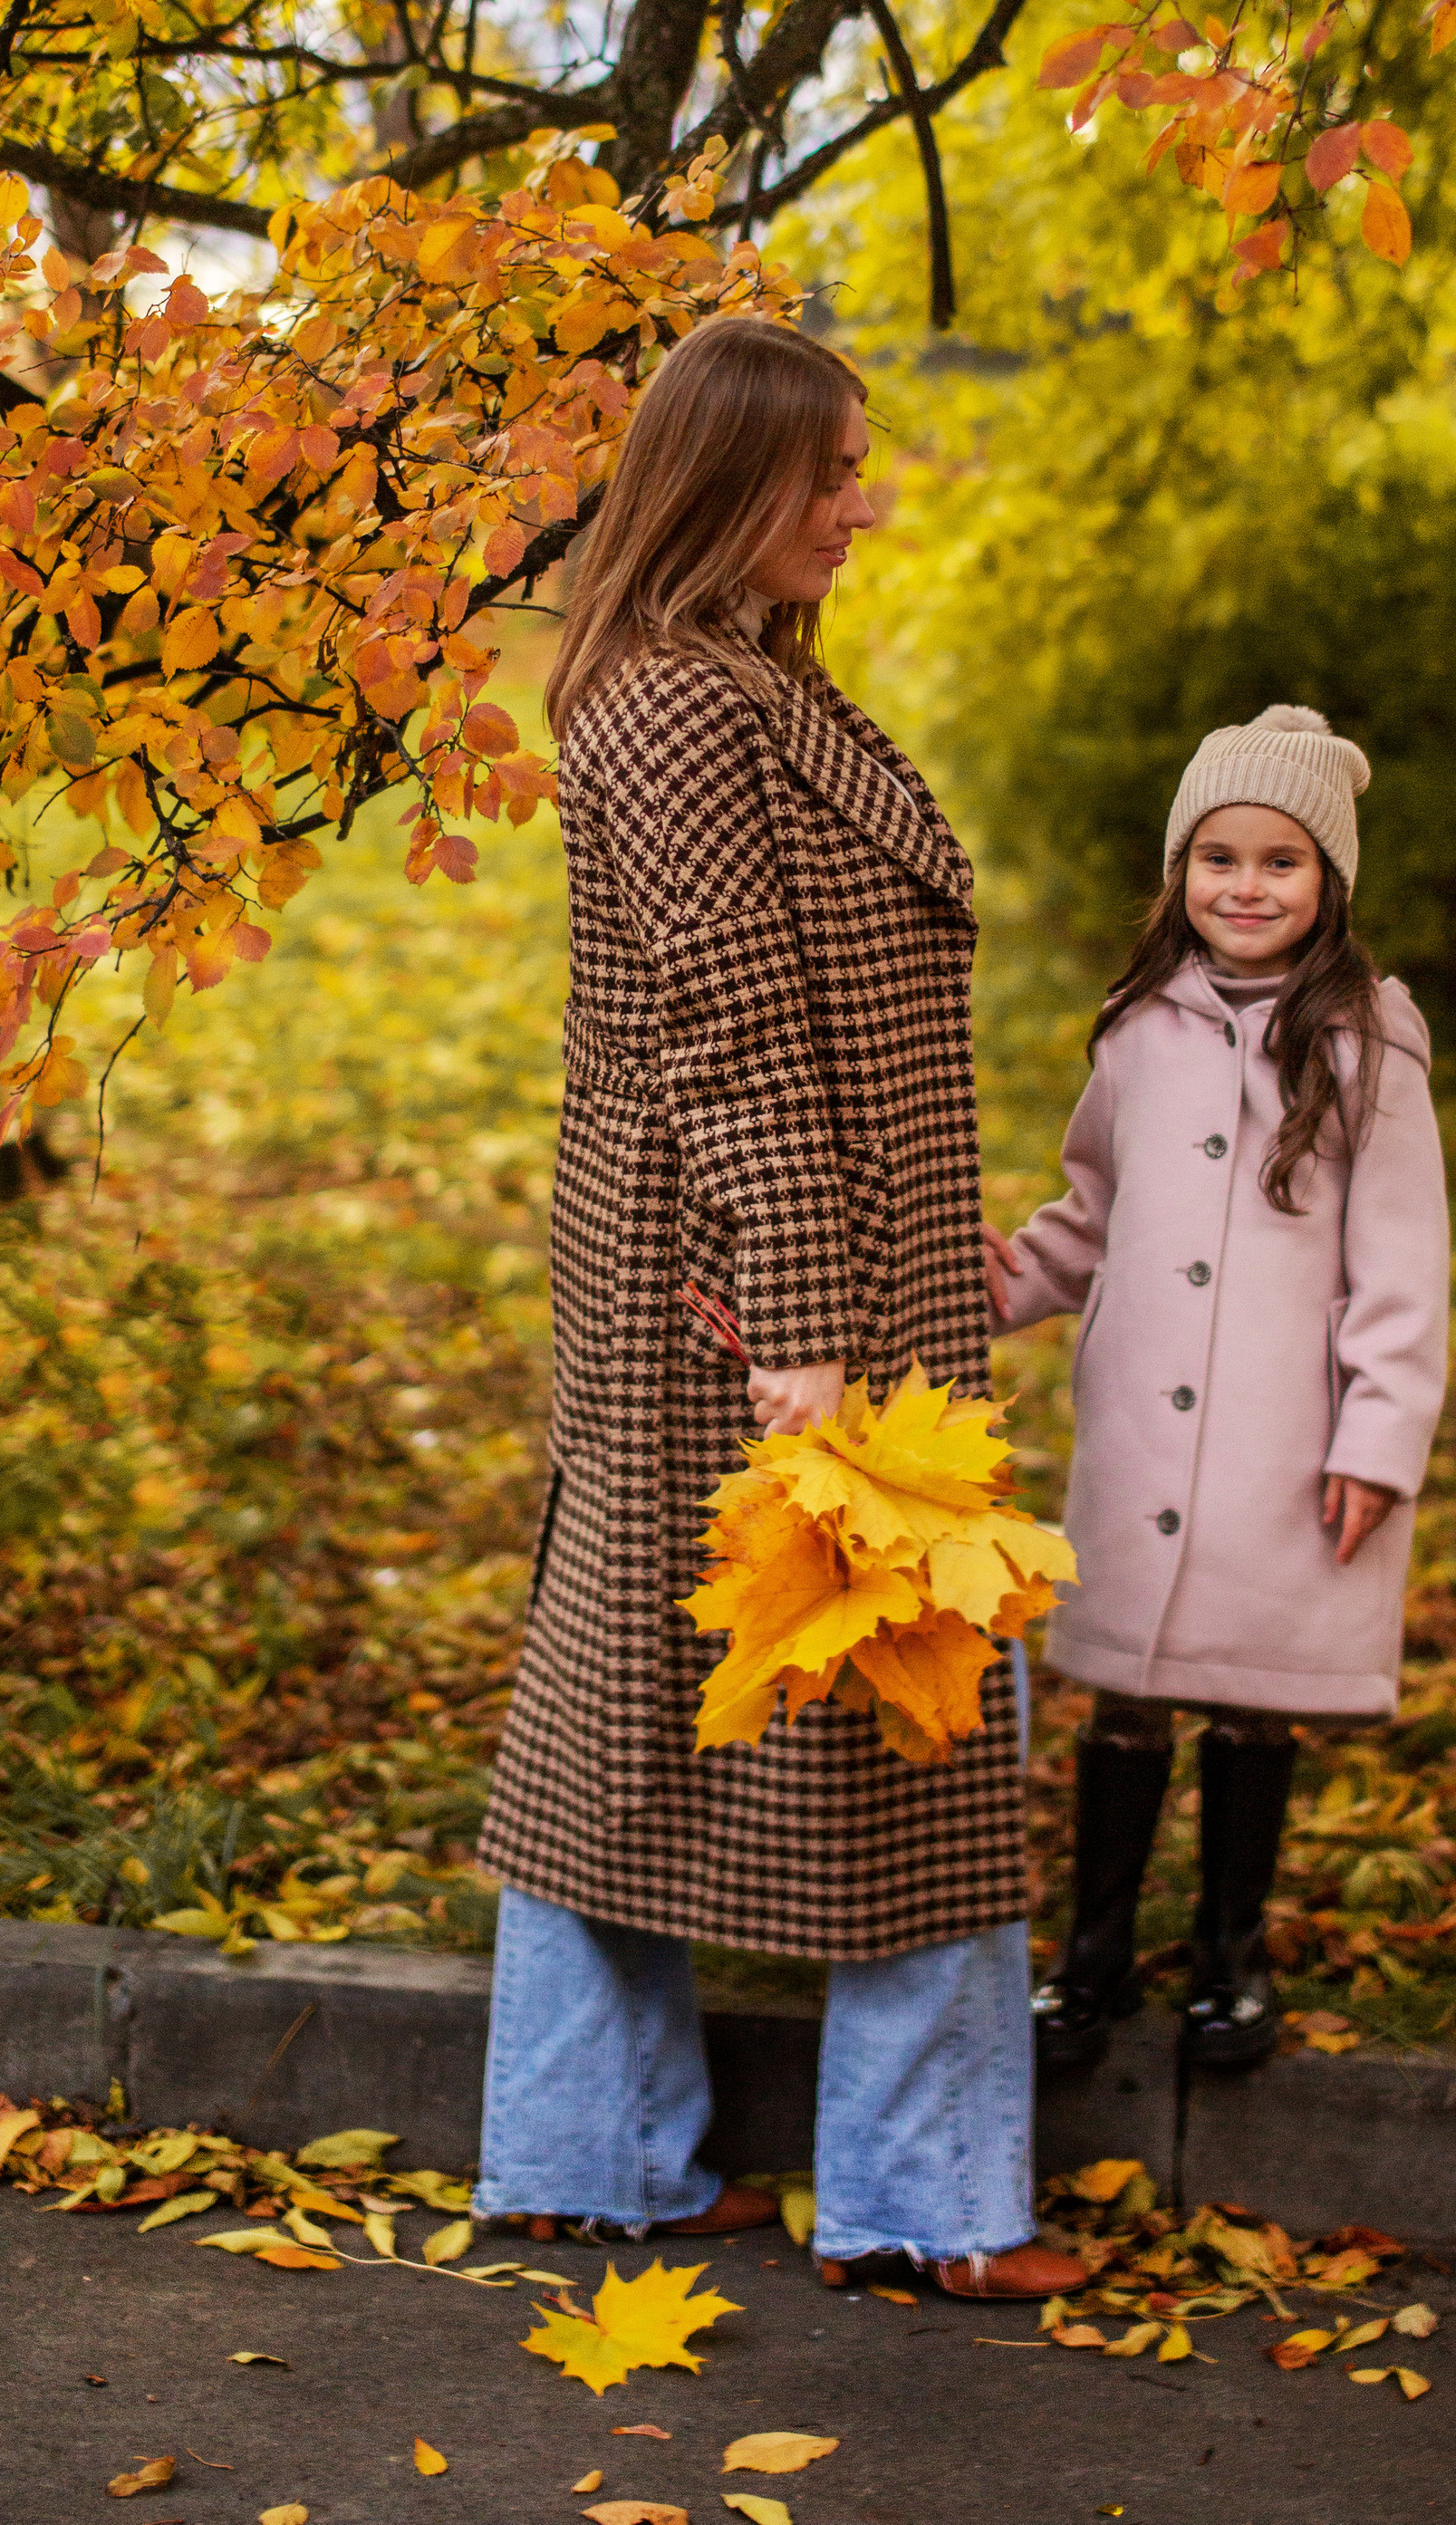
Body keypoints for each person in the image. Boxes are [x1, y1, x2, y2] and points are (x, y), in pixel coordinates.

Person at [475, 314, 1085, 2301]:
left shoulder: (734, 677)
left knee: (642, 1709)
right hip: (749, 1301)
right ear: (729, 479)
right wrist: (808, 1330)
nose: (860, 506)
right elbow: (728, 1034)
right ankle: (923, 2205)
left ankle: (589, 2157)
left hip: (750, 1278)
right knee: (908, 1704)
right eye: (827, 474)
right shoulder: (674, 704)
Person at [984, 704, 1450, 2077]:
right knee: (1125, 1694)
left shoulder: (1370, 1042)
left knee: (1253, 1693)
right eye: (1219, 857)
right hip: (1141, 1429)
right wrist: (997, 1282)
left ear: (1331, 881)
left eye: (1281, 861)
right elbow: (1093, 1207)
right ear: (1180, 867)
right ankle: (1093, 1955)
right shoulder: (1137, 1030)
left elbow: (1404, 1264)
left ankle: (1232, 1955)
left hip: (1282, 1436)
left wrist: (1378, 1439)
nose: (1246, 887)